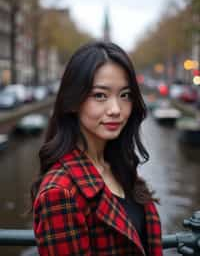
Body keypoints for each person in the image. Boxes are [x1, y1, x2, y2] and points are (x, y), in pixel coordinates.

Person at [31, 41, 163, 256]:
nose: (115, 110)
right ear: (73, 102)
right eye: (100, 95)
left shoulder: (119, 166)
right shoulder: (59, 194)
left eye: (125, 95)